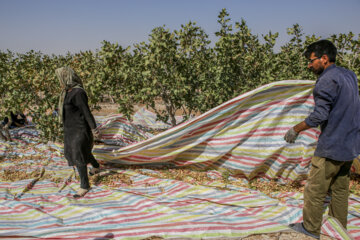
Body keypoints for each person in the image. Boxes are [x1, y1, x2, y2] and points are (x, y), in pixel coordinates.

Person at [284, 40, 360, 239]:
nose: (309, 66)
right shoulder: (349, 75)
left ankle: (310, 228)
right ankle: (338, 227)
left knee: (315, 189)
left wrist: (296, 129)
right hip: (350, 144)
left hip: (332, 145)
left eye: (311, 61)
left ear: (324, 59)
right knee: (340, 189)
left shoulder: (326, 80)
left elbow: (319, 116)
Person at [56, 66, 101, 198]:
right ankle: (96, 166)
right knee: (83, 152)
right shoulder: (66, 92)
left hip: (80, 129)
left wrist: (94, 129)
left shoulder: (78, 92)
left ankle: (84, 186)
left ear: (67, 77)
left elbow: (86, 112)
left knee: (78, 156)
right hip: (70, 129)